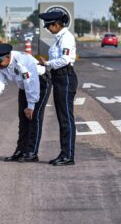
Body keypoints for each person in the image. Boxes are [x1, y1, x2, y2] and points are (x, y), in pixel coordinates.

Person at [0, 43, 52, 163]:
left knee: (34, 117)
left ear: (7, 57)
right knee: (23, 118)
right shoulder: (0, 63)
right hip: (24, 86)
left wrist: (31, 105)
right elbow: (0, 79)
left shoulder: (22, 62)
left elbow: (31, 83)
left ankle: (32, 152)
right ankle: (21, 150)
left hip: (39, 83)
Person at [38, 10, 78, 166]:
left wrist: (47, 63)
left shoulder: (66, 38)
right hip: (59, 77)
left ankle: (68, 156)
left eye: (49, 26)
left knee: (66, 118)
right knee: (62, 118)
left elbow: (66, 59)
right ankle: (64, 153)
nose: (48, 29)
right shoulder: (58, 38)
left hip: (65, 77)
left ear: (56, 24)